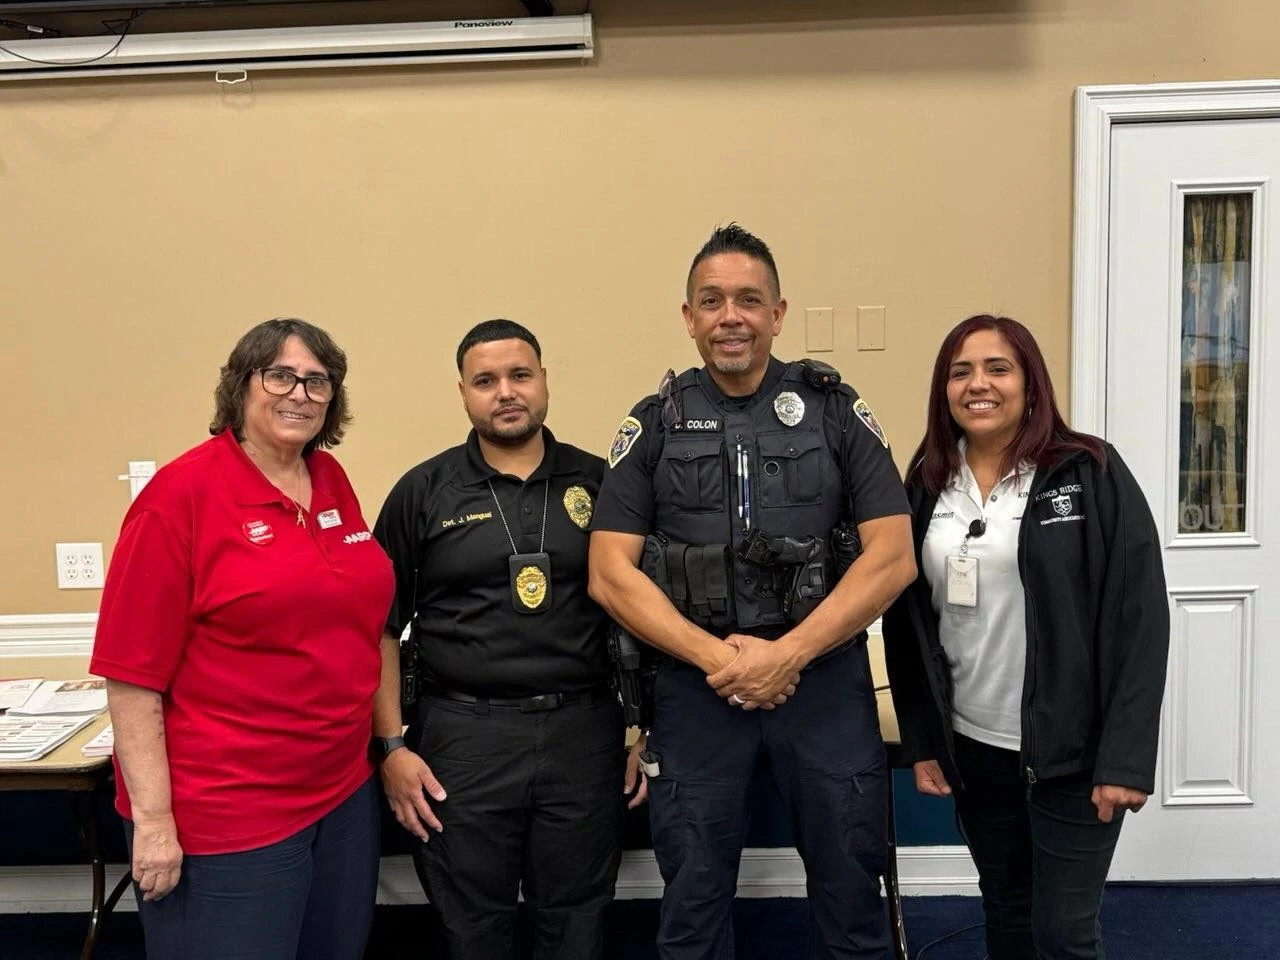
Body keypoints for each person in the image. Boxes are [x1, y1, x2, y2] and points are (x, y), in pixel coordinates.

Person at [588, 224, 917, 960]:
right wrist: (724, 660)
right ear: (688, 317)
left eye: (747, 299)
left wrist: (787, 654)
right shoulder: (654, 423)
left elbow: (892, 557)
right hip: (697, 693)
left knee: (850, 888)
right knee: (693, 901)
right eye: (711, 301)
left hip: (823, 685)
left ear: (778, 312)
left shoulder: (834, 411)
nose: (729, 315)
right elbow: (610, 571)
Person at [90, 318, 394, 959]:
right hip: (228, 811)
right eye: (280, 375)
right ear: (240, 386)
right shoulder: (179, 498)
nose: (300, 394)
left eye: (318, 381)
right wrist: (153, 822)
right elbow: (131, 676)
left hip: (340, 791)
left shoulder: (329, 478)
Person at [881, 314, 1170, 960]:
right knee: (1006, 914)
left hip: (1073, 752)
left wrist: (1124, 758)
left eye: (997, 368)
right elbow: (906, 621)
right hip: (976, 749)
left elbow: (1140, 617)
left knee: (1063, 934)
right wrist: (925, 741)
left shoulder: (1087, 472)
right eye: (961, 372)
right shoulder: (927, 482)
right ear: (943, 390)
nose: (977, 384)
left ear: (1030, 384)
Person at [371, 319, 643, 960]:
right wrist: (390, 748)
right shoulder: (423, 491)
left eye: (520, 375)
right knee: (471, 929)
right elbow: (377, 628)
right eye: (485, 381)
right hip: (462, 738)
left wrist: (645, 733)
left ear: (544, 380)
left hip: (585, 733)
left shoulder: (603, 484)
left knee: (577, 923)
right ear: (463, 394)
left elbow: (643, 614)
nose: (505, 392)